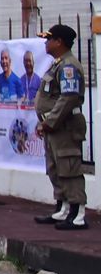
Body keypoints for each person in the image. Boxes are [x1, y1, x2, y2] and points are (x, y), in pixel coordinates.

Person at [33, 25, 88, 229]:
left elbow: (68, 99)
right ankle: (63, 208)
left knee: (69, 168)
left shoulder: (68, 67)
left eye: (49, 39)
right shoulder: (57, 64)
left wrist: (49, 122)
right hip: (54, 126)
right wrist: (45, 123)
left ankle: (78, 213)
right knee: (55, 168)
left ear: (59, 42)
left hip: (65, 126)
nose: (46, 43)